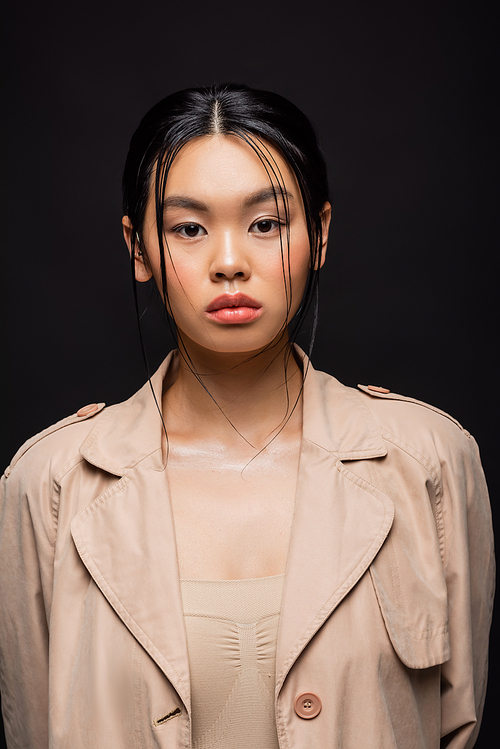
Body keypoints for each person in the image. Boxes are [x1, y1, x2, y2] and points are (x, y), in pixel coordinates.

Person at [0, 83, 494, 749]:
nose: (229, 262)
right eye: (189, 228)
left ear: (319, 234)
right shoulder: (49, 483)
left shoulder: (430, 459)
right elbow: (33, 725)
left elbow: (457, 725)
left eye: (266, 224)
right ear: (138, 249)